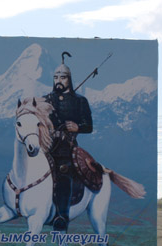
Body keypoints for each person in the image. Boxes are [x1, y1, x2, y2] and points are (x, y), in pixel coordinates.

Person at [44, 52, 93, 233]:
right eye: (56, 77)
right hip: (47, 147)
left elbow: (89, 126)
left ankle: (61, 217)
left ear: (69, 79)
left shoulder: (80, 101)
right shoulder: (45, 100)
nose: (59, 80)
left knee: (64, 175)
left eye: (62, 77)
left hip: (67, 149)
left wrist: (77, 127)